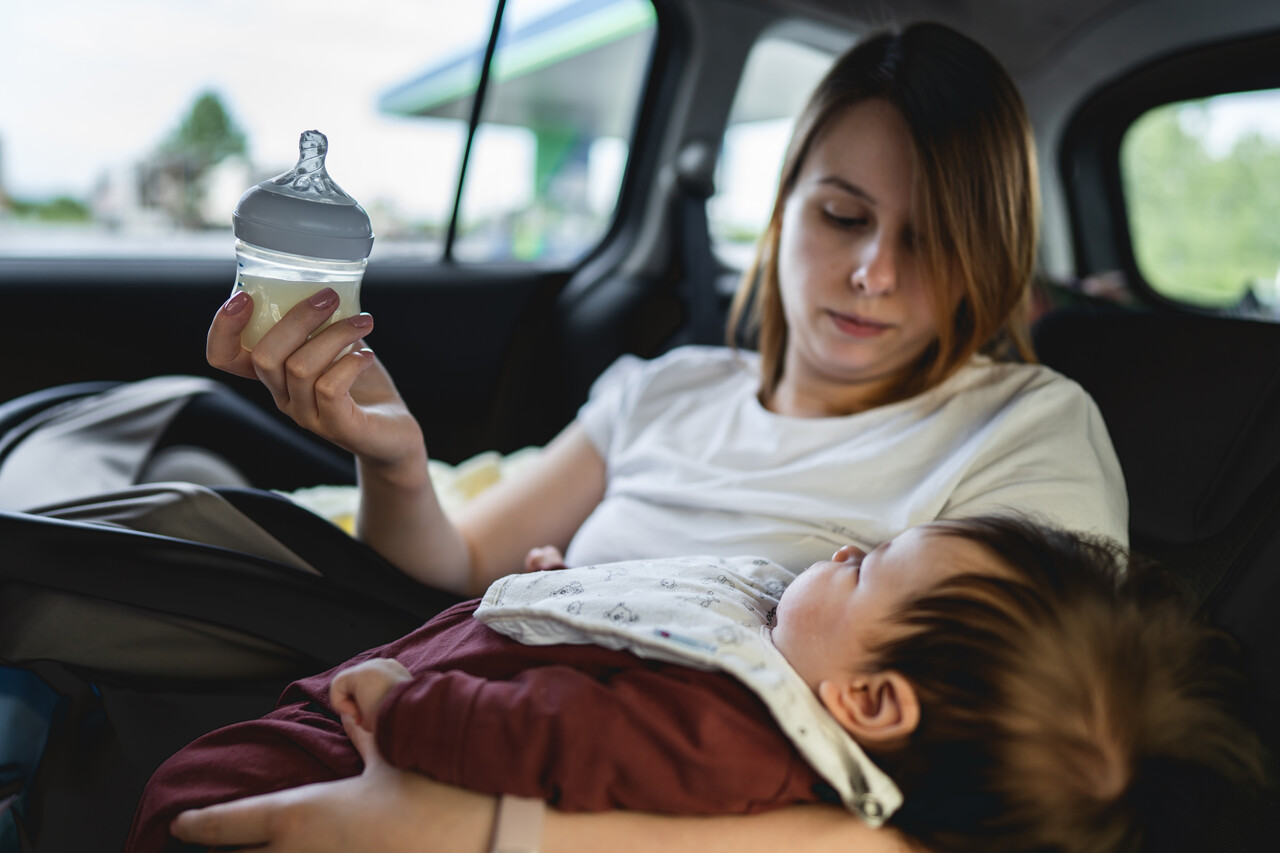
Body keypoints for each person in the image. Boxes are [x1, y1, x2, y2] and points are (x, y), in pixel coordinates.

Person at [157, 19, 1132, 853]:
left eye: (926, 239)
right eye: (841, 214)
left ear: (989, 252)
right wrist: (391, 456)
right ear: (781, 205)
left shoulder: (1025, 427)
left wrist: (479, 829)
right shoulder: (664, 390)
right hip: (452, 703)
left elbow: (1012, 799)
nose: (872, 270)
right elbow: (457, 564)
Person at [132, 516, 1262, 853]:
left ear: (868, 702)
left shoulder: (735, 740)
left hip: (336, 751)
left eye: (861, 569)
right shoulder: (766, 669)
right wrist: (573, 593)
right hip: (386, 689)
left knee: (195, 794)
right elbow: (617, 652)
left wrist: (402, 706)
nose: (836, 553)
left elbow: (548, 742)